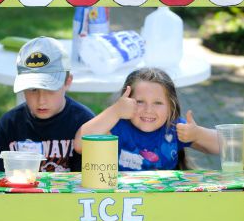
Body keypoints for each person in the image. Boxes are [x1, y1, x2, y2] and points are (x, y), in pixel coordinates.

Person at [74, 68, 219, 171]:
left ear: (171, 107)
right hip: (124, 204)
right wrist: (115, 111)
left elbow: (224, 145)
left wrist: (198, 134)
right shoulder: (117, 126)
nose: (148, 110)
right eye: (140, 101)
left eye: (158, 103)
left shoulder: (174, 128)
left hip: (164, 203)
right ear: (126, 101)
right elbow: (80, 145)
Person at [0, 36, 94, 172]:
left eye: (50, 89)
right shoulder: (10, 124)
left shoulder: (84, 123)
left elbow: (87, 183)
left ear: (67, 81)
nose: (41, 100)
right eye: (32, 89)